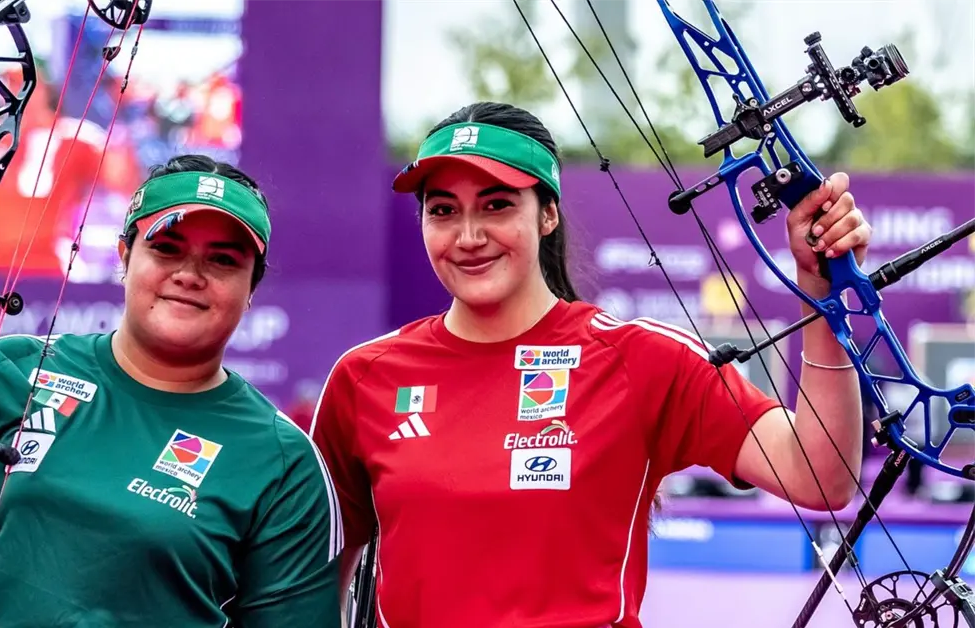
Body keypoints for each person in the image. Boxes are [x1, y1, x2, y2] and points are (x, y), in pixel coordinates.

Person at [309, 101, 872, 628]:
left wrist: (820, 292)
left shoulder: (641, 358)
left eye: (497, 204)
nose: (469, 235)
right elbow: (314, 584)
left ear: (547, 214)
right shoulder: (365, 376)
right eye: (443, 211)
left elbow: (820, 477)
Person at [0, 154, 344, 627]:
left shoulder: (283, 462)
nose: (190, 274)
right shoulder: (5, 370)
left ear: (252, 288)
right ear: (125, 255)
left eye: (223, 260)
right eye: (166, 248)